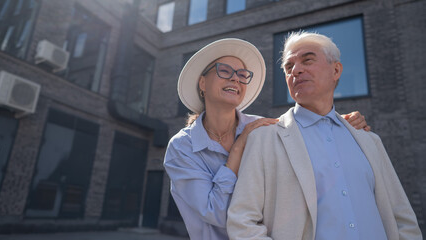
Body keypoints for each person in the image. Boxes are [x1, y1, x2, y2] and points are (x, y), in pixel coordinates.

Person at [164, 38, 370, 240]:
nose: (235, 78)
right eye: (225, 71)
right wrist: (239, 147)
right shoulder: (182, 147)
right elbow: (217, 213)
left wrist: (337, 123)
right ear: (202, 83)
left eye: (242, 74)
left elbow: (306, 137)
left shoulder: (264, 128)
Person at [226, 32, 422, 240]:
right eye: (289, 67)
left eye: (307, 60)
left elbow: (402, 218)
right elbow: (242, 222)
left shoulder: (368, 139)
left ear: (336, 70)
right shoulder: (264, 139)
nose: (296, 70)